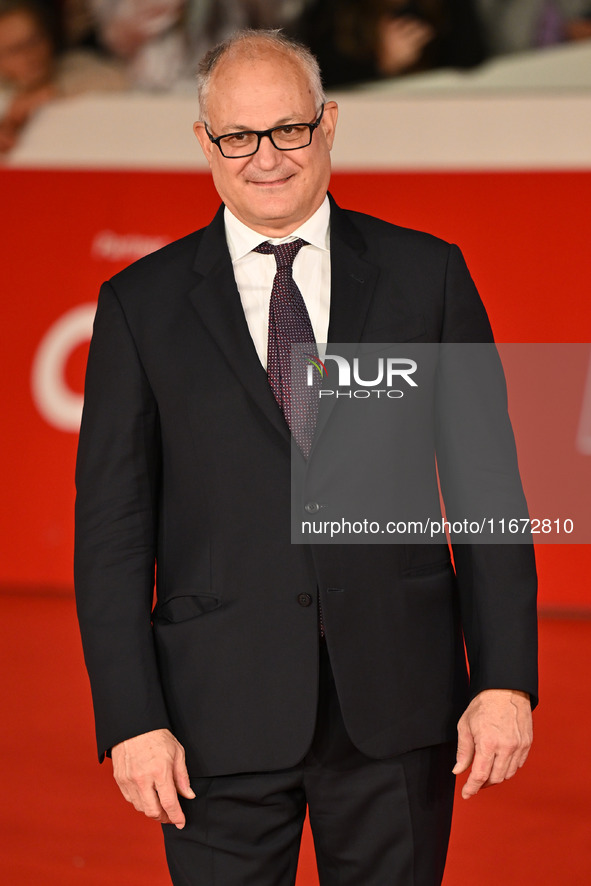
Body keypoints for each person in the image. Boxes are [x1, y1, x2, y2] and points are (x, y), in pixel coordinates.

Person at [74, 28, 538, 886]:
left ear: (327, 125)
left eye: (286, 129)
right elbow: (111, 532)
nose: (265, 158)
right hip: (212, 715)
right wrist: (130, 717)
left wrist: (505, 680)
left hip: (398, 704)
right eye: (237, 136)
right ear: (204, 143)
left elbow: (489, 492)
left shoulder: (425, 275)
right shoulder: (140, 306)